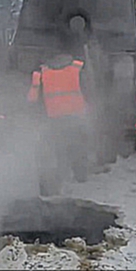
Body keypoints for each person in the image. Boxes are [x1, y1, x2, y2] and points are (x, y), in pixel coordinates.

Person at [27, 53, 90, 195]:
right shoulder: (78, 67)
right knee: (78, 145)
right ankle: (80, 174)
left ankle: (57, 180)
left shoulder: (42, 73)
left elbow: (32, 98)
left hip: (54, 118)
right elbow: (88, 91)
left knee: (57, 148)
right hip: (76, 116)